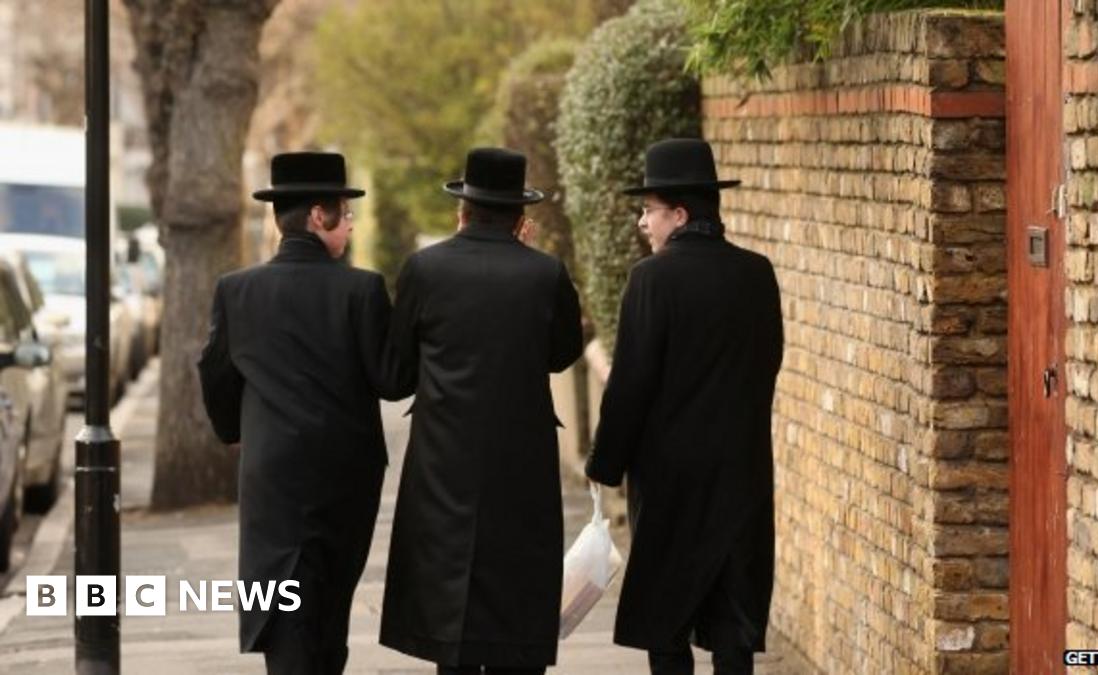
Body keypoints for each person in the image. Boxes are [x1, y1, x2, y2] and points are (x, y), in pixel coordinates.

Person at [378, 147, 583, 675]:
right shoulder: (545, 273)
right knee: (519, 579)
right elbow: (561, 353)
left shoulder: (424, 269)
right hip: (523, 456)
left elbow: (396, 374)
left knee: (449, 591)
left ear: (462, 209)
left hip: (443, 458)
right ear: (520, 217)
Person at [585, 138, 784, 675]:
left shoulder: (651, 278)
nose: (642, 222)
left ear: (679, 214)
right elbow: (768, 363)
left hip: (670, 479)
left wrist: (605, 462)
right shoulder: (757, 272)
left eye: (649, 210)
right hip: (742, 472)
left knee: (666, 617)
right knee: (734, 619)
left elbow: (630, 384)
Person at [198, 151, 396, 674]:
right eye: (344, 213)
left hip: (273, 472)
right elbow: (392, 380)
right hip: (347, 473)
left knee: (278, 595)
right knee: (331, 598)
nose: (350, 224)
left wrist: (235, 430)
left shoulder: (236, 290)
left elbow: (214, 372)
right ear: (316, 215)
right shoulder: (362, 289)